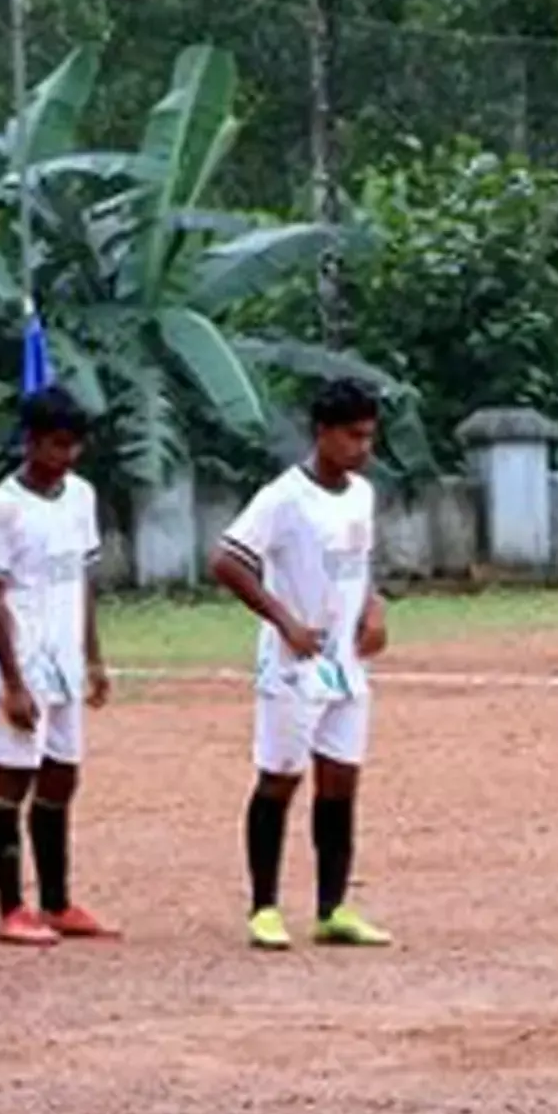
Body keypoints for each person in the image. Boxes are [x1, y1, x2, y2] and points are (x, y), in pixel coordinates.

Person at [212, 379, 391, 951]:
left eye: (369, 436)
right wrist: (283, 620)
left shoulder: (361, 494)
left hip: (344, 664)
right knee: (280, 779)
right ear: (323, 433)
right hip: (293, 666)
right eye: (353, 436)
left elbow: (359, 562)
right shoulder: (284, 497)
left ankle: (333, 907)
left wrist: (373, 606)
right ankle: (264, 907)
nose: (362, 447)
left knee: (341, 782)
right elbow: (226, 560)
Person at [0, 385, 115, 945]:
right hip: (22, 661)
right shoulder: (0, 509)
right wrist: (11, 682)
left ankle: (57, 902)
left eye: (75, 447)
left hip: (65, 660)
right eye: (58, 446)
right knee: (14, 775)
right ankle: (12, 907)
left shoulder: (80, 496)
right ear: (30, 442)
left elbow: (83, 580)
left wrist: (95, 658)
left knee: (64, 772)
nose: (68, 458)